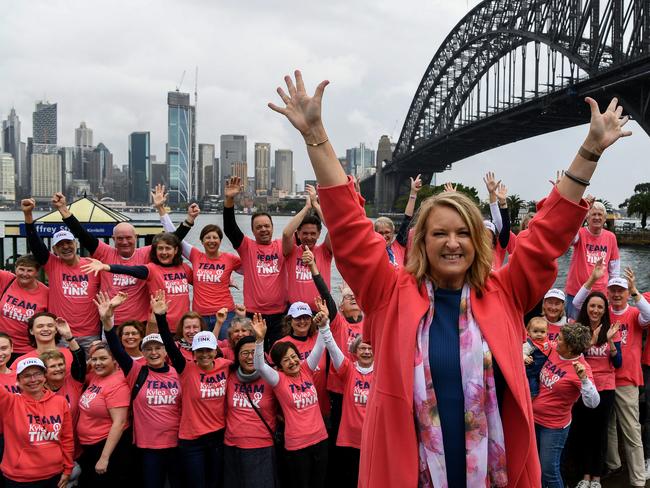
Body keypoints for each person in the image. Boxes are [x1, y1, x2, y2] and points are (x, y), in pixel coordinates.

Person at [268, 69, 631, 486]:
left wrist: (590, 150)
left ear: (478, 242)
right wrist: (316, 135)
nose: (452, 243)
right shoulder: (389, 292)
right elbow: (349, 229)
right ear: (421, 241)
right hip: (411, 472)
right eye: (440, 232)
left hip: (494, 472)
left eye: (463, 233)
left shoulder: (505, 291)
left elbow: (546, 237)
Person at [51, 187, 192, 325]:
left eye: (128, 238)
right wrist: (63, 209)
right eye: (120, 238)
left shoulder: (146, 253)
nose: (124, 242)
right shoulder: (104, 252)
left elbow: (173, 239)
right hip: (111, 321)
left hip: (139, 323)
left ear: (135, 237)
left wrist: (186, 219)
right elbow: (82, 234)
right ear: (113, 239)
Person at [96, 291, 182, 488]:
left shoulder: (179, 372)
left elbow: (169, 341)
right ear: (142, 353)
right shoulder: (136, 371)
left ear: (165, 351)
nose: (153, 353)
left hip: (177, 445)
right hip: (147, 447)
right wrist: (107, 319)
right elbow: (117, 348)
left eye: (158, 348)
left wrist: (161, 317)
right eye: (149, 349)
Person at [575, 263, 650, 486]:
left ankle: (637, 479)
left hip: (626, 379)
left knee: (631, 429)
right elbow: (578, 305)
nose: (617, 294)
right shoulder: (603, 313)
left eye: (622, 290)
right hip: (602, 381)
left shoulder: (635, 313)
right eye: (613, 291)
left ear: (627, 293)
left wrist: (636, 292)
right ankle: (613, 464)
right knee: (607, 428)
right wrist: (592, 279)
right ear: (608, 293)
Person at [252, 300, 338, 488]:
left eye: (294, 357)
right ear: (280, 366)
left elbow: (320, 345)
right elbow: (259, 366)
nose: (291, 362)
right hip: (297, 445)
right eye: (286, 360)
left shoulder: (307, 369)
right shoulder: (278, 380)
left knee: (320, 483)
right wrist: (259, 341)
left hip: (321, 439)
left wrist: (324, 322)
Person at [152, 290, 231, 488]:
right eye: (199, 351)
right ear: (193, 352)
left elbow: (251, 363)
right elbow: (169, 345)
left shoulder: (225, 365)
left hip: (218, 437)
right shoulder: (185, 368)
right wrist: (161, 317)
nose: (204, 354)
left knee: (215, 483)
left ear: (215, 351)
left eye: (208, 350)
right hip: (192, 440)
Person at [23, 198, 102, 352]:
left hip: (90, 335)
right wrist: (28, 215)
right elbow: (35, 243)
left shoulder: (93, 265)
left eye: (69, 243)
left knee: (91, 374)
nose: (65, 247)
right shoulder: (53, 264)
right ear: (54, 249)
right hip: (60, 334)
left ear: (76, 244)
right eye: (60, 245)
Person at [81, 232, 193, 333]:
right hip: (158, 325)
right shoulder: (151, 269)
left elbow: (201, 284)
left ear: (176, 250)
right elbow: (129, 269)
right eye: (160, 248)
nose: (164, 252)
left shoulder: (184, 268)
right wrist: (105, 266)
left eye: (168, 248)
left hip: (182, 326)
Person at [223, 175, 288, 350]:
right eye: (258, 227)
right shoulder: (247, 247)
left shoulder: (283, 245)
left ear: (273, 227)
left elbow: (303, 232)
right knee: (253, 354)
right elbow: (230, 228)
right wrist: (229, 199)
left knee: (277, 354)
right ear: (252, 231)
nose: (263, 229)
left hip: (281, 314)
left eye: (267, 225)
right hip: (254, 315)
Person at [532, 323, 598, 488]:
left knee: (549, 471)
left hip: (553, 427)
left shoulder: (581, 369)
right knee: (535, 468)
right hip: (533, 420)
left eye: (560, 339)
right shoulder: (554, 349)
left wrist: (583, 379)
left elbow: (593, 402)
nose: (556, 340)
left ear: (570, 348)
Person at [568, 291, 621, 488]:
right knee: (582, 431)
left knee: (599, 433)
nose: (595, 310)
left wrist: (609, 341)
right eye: (592, 306)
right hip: (582, 387)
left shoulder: (611, 329)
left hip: (605, 388)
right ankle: (585, 475)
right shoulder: (577, 329)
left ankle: (596, 477)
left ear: (604, 310)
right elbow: (570, 356)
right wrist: (589, 342)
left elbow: (618, 362)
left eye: (600, 307)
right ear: (586, 308)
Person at [0, 357, 73, 488]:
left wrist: (68, 469)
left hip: (54, 474)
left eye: (37, 374)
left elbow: (67, 439)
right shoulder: (10, 403)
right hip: (20, 478)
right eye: (26, 376)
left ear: (45, 376)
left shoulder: (60, 402)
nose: (33, 380)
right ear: (18, 380)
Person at [224, 335, 278, 488]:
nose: (249, 357)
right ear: (237, 356)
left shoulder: (271, 377)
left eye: (254, 352)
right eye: (244, 353)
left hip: (261, 447)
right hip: (232, 446)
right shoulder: (230, 374)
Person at [76, 342, 132, 487]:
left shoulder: (118, 384)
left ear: (114, 360)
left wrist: (104, 458)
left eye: (103, 359)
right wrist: (91, 362)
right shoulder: (96, 376)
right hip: (89, 446)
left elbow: (119, 423)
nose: (97, 363)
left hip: (108, 448)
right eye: (94, 359)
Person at [565, 200, 620, 318]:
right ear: (587, 218)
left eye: (600, 215)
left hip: (600, 295)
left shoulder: (611, 237)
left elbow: (614, 269)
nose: (596, 217)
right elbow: (570, 238)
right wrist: (581, 211)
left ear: (605, 219)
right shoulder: (580, 233)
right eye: (593, 214)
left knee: (597, 329)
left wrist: (613, 292)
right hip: (576, 292)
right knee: (574, 330)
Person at [273, 300, 329, 416]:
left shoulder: (320, 338)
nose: (302, 322)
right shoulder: (280, 344)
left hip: (321, 406)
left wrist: (325, 316)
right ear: (289, 321)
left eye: (306, 318)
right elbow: (275, 380)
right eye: (298, 318)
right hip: (295, 409)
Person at [332, 335, 374, 488]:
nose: (367, 352)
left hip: (373, 439)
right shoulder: (349, 369)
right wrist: (324, 328)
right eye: (363, 348)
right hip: (350, 440)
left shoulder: (381, 373)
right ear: (355, 351)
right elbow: (333, 349)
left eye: (370, 348)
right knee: (351, 479)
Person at [282, 184, 332, 311]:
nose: (309, 237)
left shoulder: (325, 251)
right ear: (298, 233)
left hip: (320, 311)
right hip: (295, 313)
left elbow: (334, 228)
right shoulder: (291, 251)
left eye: (313, 234)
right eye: (305, 233)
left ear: (319, 234)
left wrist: (315, 204)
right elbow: (286, 233)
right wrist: (307, 207)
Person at [0, 254, 49, 362]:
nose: (24, 274)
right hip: (2, 347)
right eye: (21, 269)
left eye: (29, 270)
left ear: (36, 272)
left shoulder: (46, 293)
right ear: (15, 268)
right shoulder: (6, 279)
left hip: (27, 350)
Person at [40, 318, 86, 422]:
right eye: (53, 366)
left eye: (61, 364)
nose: (58, 368)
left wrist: (69, 337)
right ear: (44, 371)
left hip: (72, 437)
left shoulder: (73, 381)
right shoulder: (37, 389)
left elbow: (80, 359)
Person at [523, 317, 551, 397]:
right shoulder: (529, 344)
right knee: (533, 388)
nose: (539, 334)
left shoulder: (546, 342)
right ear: (528, 332)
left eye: (542, 332)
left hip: (542, 372)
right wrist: (525, 358)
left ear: (547, 332)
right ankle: (531, 398)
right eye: (535, 331)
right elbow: (521, 352)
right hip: (531, 373)